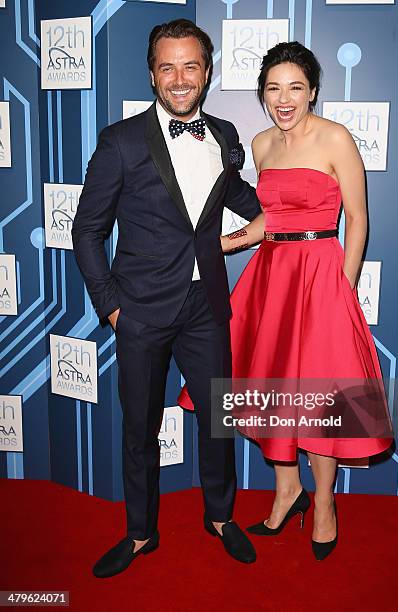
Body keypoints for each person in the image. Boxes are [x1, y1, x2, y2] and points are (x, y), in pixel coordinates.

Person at [178, 41, 393, 561]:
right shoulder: (260, 145)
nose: (284, 98)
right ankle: (286, 489)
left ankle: (323, 503)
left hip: (320, 275)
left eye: (295, 87)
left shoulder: (336, 139)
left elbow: (358, 221)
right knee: (272, 389)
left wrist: (341, 286)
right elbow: (272, 217)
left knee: (320, 399)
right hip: (271, 273)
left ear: (313, 91)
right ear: (263, 95)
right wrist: (225, 242)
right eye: (273, 88)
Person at [72, 19, 263, 578]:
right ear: (153, 75)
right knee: (139, 430)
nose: (180, 79)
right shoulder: (121, 140)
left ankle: (221, 517)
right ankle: (139, 532)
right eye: (167, 67)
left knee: (217, 421)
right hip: (140, 310)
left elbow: (236, 193)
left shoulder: (225, 134)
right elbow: (87, 231)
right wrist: (111, 306)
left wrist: (282, 213)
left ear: (207, 72)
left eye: (191, 66)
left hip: (207, 308)